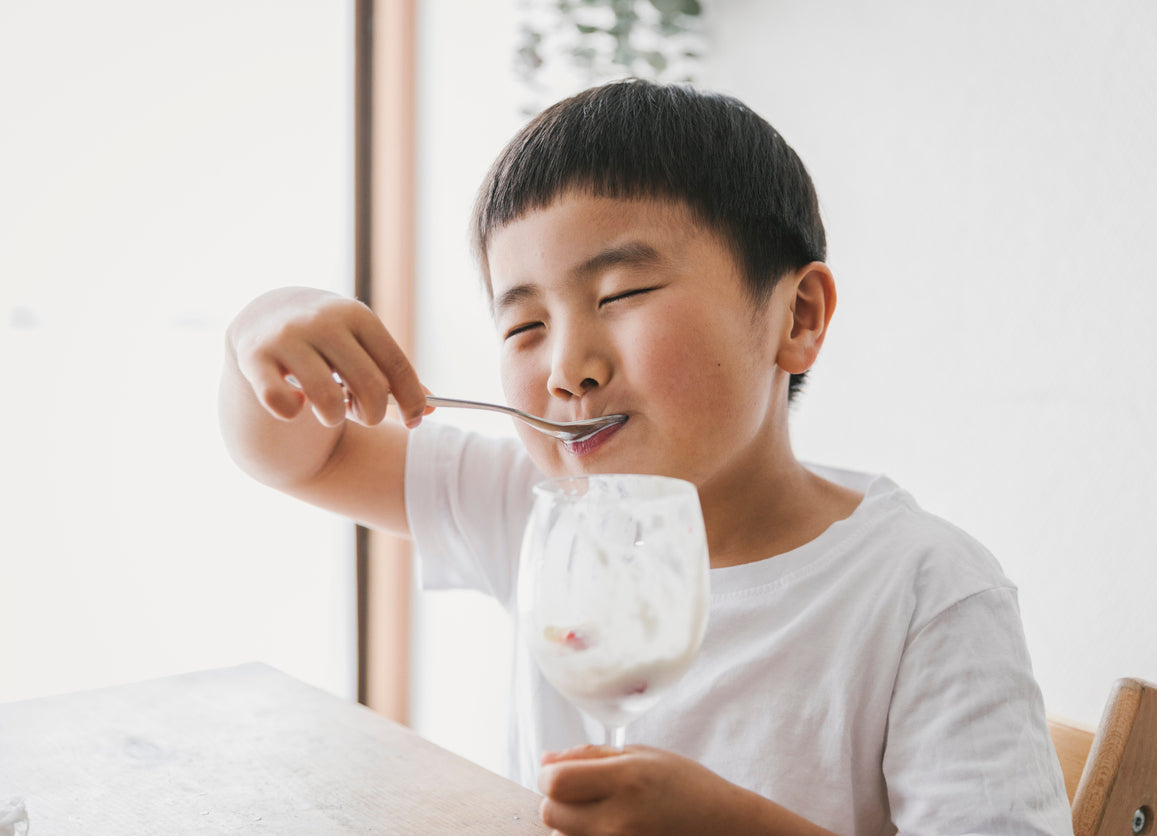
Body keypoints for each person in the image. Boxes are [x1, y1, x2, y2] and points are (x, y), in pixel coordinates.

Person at [220, 79, 1071, 835]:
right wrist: (268, 325)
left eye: (621, 294)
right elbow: (297, 454)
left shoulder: (924, 590)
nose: (565, 369)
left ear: (798, 317)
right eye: (524, 325)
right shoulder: (540, 507)